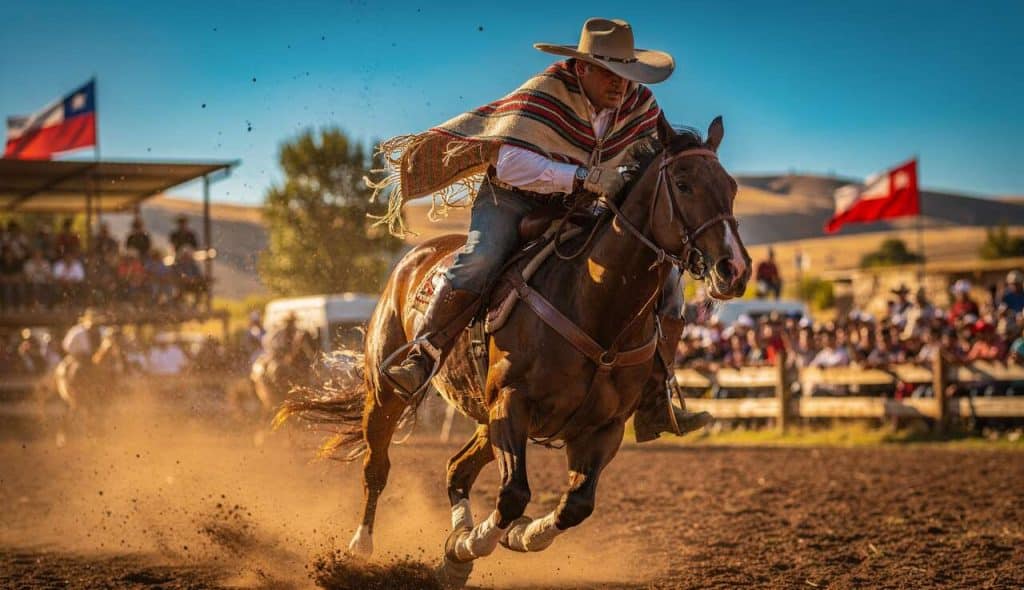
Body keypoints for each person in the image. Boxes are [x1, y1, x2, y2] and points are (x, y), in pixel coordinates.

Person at [377, 18, 709, 439]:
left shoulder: (641, 106)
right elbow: (510, 163)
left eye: (626, 73)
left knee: (667, 278)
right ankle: (422, 355)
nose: (621, 83)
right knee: (481, 257)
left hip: (586, 206)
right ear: (582, 68)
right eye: (610, 72)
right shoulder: (545, 93)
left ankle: (656, 397)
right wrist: (584, 177)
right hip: (512, 199)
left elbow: (659, 155)